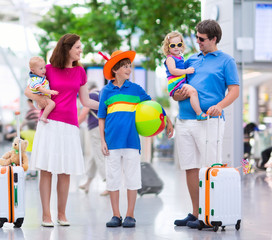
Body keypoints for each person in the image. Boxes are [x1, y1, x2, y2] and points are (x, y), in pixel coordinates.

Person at [24, 33, 99, 227]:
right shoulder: (47, 70)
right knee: (47, 170)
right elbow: (29, 91)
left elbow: (85, 101)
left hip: (70, 126)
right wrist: (40, 100)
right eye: (78, 47)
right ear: (67, 48)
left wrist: (109, 105)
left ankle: (62, 214)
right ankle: (46, 215)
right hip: (49, 124)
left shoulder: (80, 72)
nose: (81, 50)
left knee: (65, 172)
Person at [172, 20, 240, 229]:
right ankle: (196, 213)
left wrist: (220, 106)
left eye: (202, 39)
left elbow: (234, 91)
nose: (198, 42)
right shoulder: (191, 59)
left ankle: (212, 214)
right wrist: (177, 95)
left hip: (210, 121)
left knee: (211, 168)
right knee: (190, 168)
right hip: (184, 120)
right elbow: (176, 89)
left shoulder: (226, 61)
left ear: (214, 39)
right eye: (197, 38)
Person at [98, 50, 174, 228]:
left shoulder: (136, 89)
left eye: (129, 65)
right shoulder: (106, 91)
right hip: (112, 143)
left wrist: (168, 121)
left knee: (133, 179)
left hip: (132, 142)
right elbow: (101, 118)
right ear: (115, 69)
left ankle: (130, 215)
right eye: (125, 66)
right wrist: (102, 140)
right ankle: (116, 215)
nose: (129, 69)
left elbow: (153, 107)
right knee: (113, 179)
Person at [162, 31, 207, 121]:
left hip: (180, 83)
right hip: (176, 84)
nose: (176, 47)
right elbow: (173, 70)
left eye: (178, 44)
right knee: (193, 92)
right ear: (168, 47)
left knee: (191, 92)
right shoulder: (170, 58)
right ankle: (199, 113)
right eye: (172, 45)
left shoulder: (180, 57)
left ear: (182, 45)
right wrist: (186, 71)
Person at [78, 82, 108, 196]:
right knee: (94, 156)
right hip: (103, 127)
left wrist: (73, 125)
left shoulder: (90, 96)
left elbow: (83, 114)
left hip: (95, 129)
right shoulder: (101, 94)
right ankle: (88, 182)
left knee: (99, 156)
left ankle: (109, 184)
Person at [27, 56, 59, 123]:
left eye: (44, 67)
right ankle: (43, 117)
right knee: (52, 104)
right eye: (41, 68)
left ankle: (43, 116)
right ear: (32, 70)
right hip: (42, 97)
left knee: (51, 104)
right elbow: (40, 88)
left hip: (44, 97)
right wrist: (50, 91)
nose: (44, 70)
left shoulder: (40, 78)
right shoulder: (34, 80)